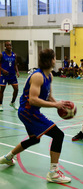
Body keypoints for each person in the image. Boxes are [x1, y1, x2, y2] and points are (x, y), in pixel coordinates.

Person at [0, 49, 71, 183]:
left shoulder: (49, 75)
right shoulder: (38, 76)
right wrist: (55, 106)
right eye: (54, 58)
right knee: (58, 135)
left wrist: (59, 104)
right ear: (50, 60)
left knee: (34, 139)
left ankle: (8, 157)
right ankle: (53, 173)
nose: (55, 61)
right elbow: (33, 100)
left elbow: (48, 96)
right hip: (28, 112)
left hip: (31, 112)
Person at [0, 41, 19, 111]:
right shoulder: (2, 55)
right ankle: (0, 104)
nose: (9, 46)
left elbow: (15, 64)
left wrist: (17, 71)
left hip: (12, 75)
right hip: (4, 75)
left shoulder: (14, 55)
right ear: (5, 46)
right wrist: (3, 70)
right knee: (2, 90)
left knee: (16, 89)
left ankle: (13, 102)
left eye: (10, 45)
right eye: (7, 45)